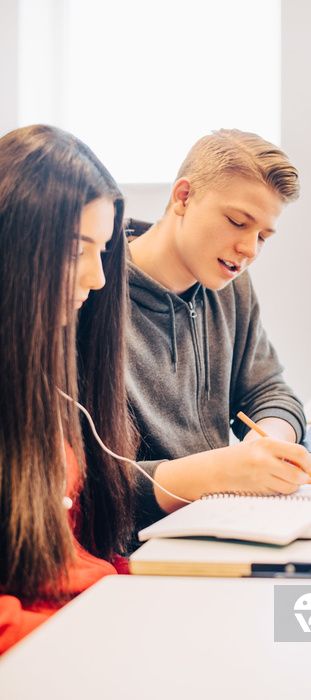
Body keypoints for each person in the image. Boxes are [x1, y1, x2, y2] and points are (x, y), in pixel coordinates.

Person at [127, 128, 311, 524]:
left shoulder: (230, 287)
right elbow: (85, 488)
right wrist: (223, 471)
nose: (250, 250)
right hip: (140, 544)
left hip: (216, 519)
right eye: (238, 222)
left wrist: (267, 446)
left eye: (263, 236)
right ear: (183, 197)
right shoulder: (89, 294)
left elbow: (270, 390)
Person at [0, 124, 138, 654]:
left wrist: (154, 593)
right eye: (78, 251)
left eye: (103, 251)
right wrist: (109, 635)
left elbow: (72, 561)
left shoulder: (40, 374)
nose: (99, 278)